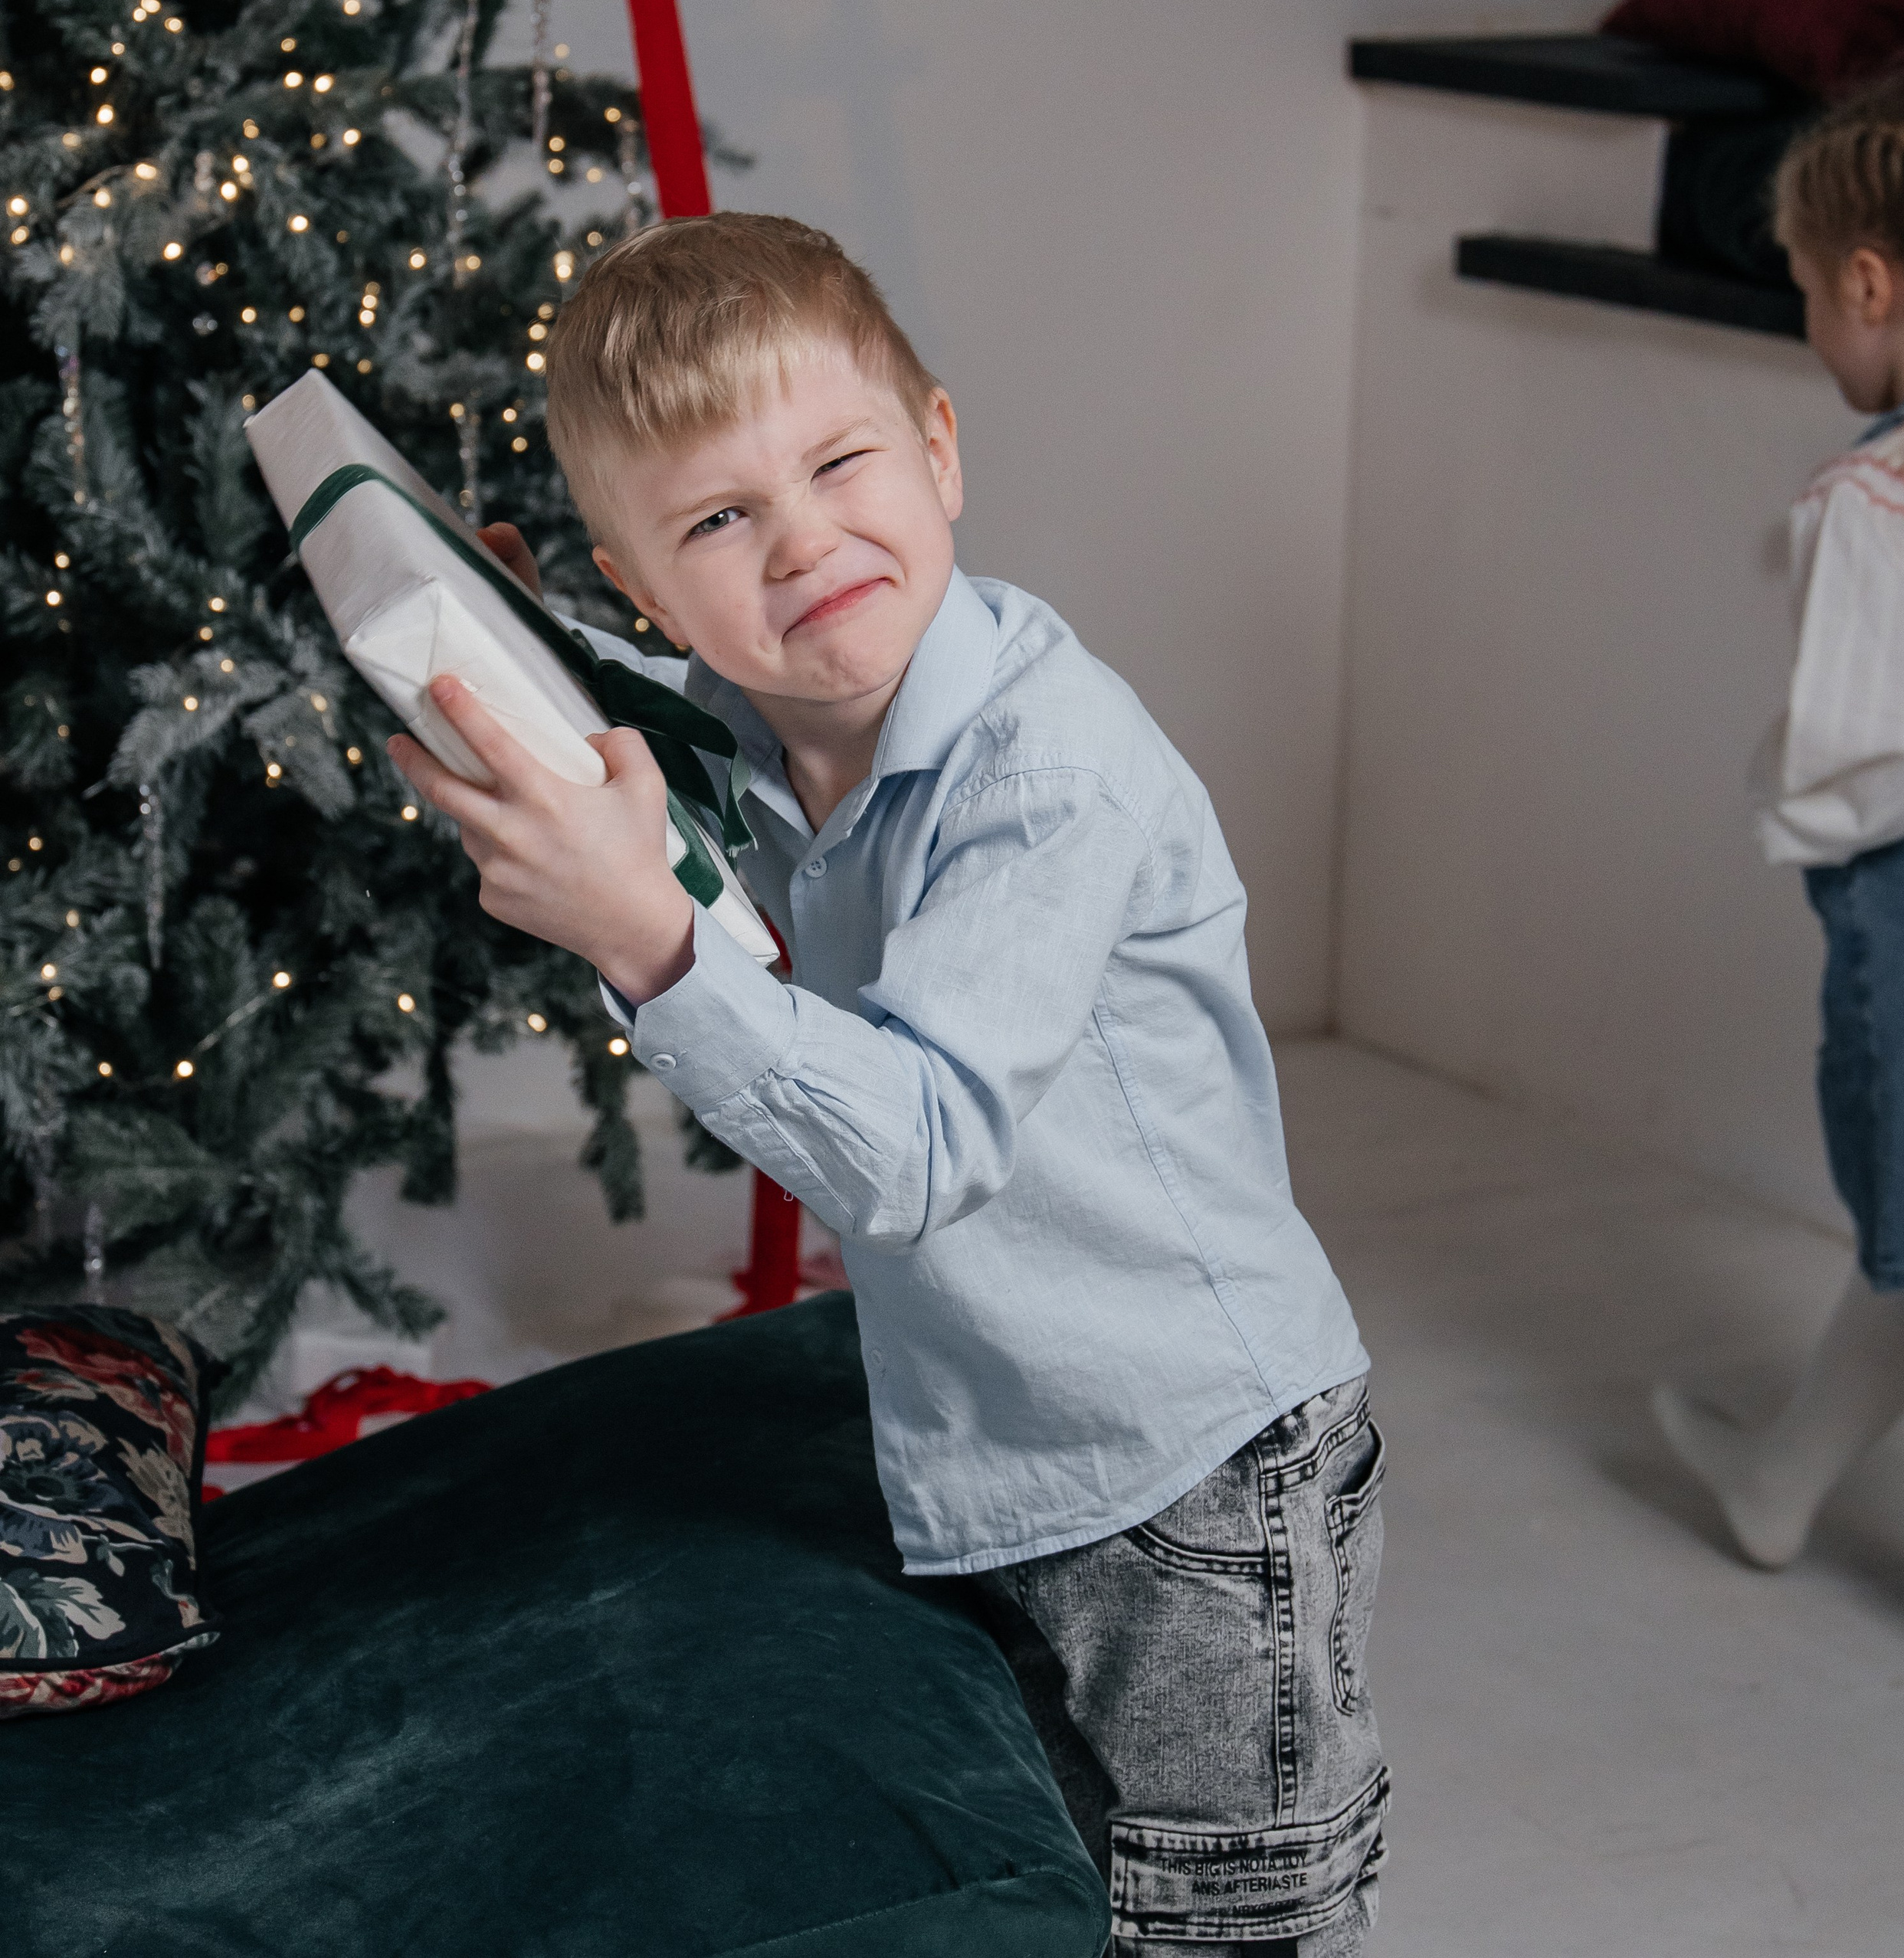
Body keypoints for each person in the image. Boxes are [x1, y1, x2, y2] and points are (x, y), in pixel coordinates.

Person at [388, 211, 1388, 1955]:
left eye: (839, 463)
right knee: (1054, 1880)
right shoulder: (770, 712)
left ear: (937, 444)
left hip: (1191, 1464)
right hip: (1005, 1430)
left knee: (1228, 1924)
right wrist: (527, 654)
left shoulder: (1045, 769)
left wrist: (650, 941)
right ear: (644, 582)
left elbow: (920, 1149)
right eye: (717, 520)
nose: (802, 545)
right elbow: (671, 723)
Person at [1655, 82, 1904, 1569]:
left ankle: (1780, 1483)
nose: (1800, 323)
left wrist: (1786, 805)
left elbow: (1864, 758)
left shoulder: (1873, 501)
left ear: (1866, 280)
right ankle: (1777, 1481)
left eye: (1797, 288)